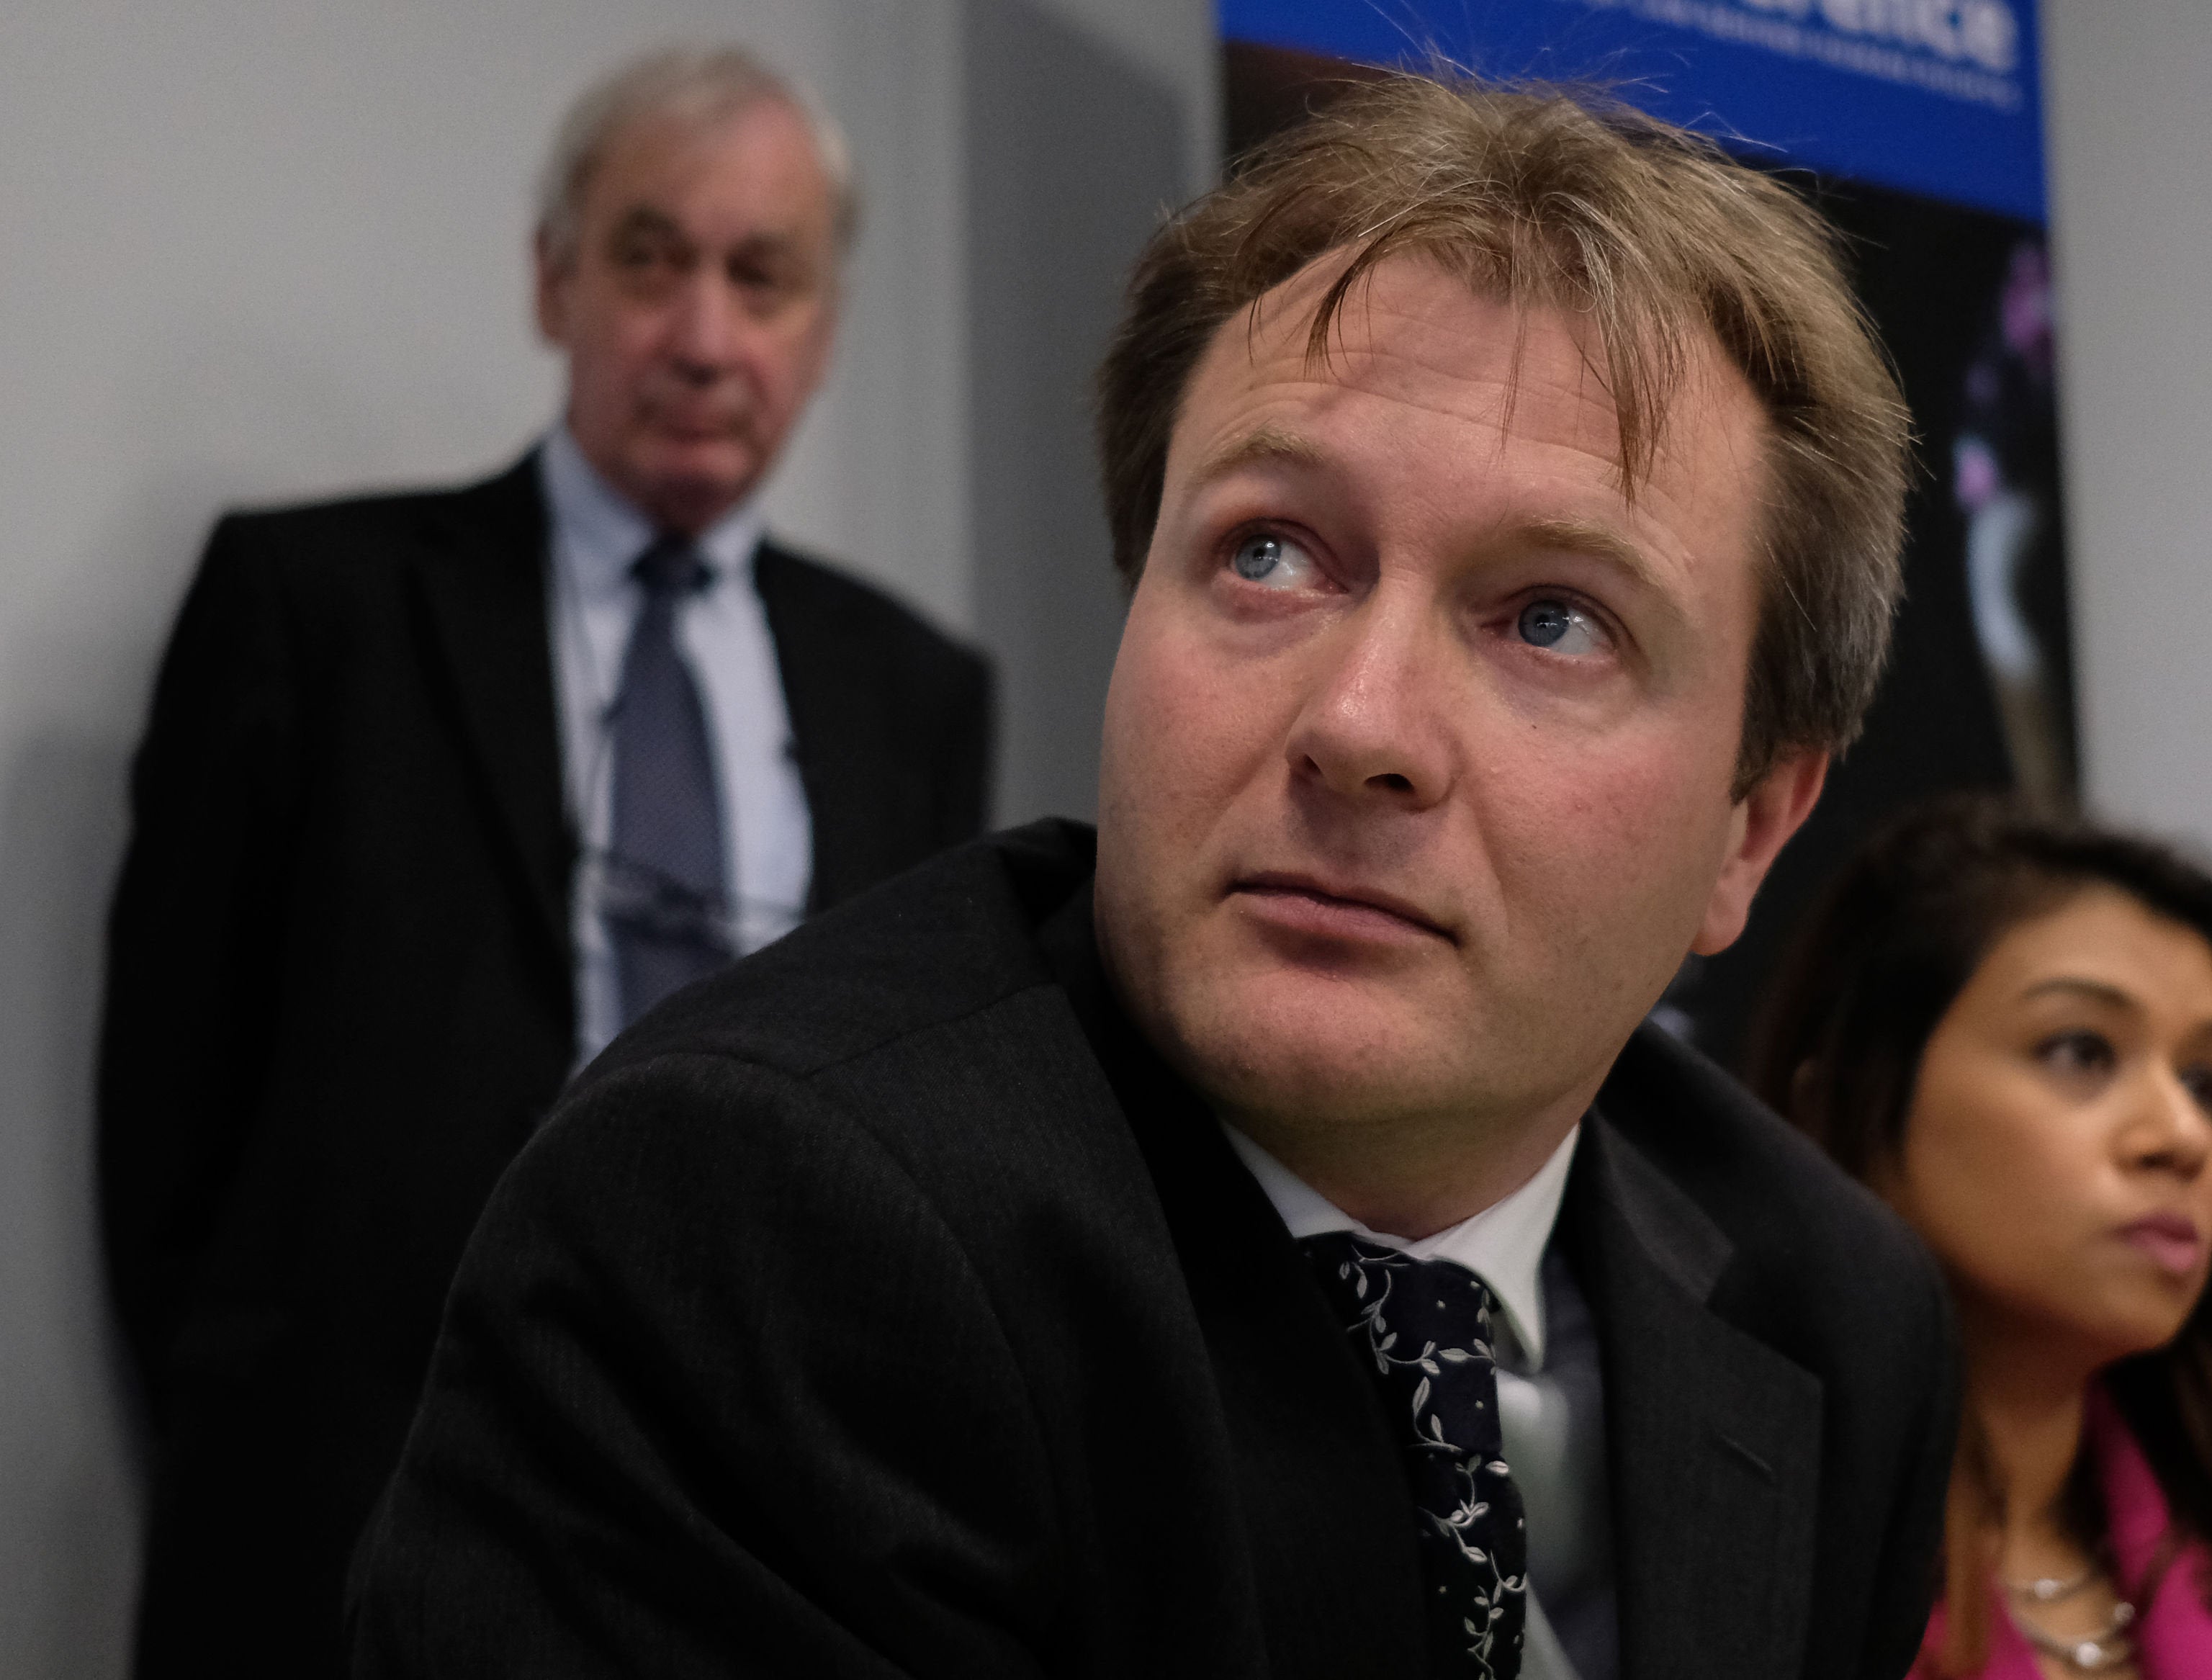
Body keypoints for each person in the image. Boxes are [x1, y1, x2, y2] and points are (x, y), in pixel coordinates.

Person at [352, 75, 1956, 1680]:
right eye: (1268, 552)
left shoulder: (1833, 1310)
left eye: (1551, 618)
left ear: (1751, 824)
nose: (1357, 723)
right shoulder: (756, 1217)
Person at [98, 46, 992, 1679]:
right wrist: (237, 1458)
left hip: (768, 1543)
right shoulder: (313, 609)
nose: (707, 336)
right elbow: (164, 1122)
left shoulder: (917, 694)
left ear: (825, 325)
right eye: (651, 258)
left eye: (763, 276)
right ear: (553, 278)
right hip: (334, 1526)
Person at [1747, 796, 2212, 1679]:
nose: (2181, 1135)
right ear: (1843, 1100)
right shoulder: (1731, 1529)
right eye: (2079, 1050)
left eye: (2204, 1082)